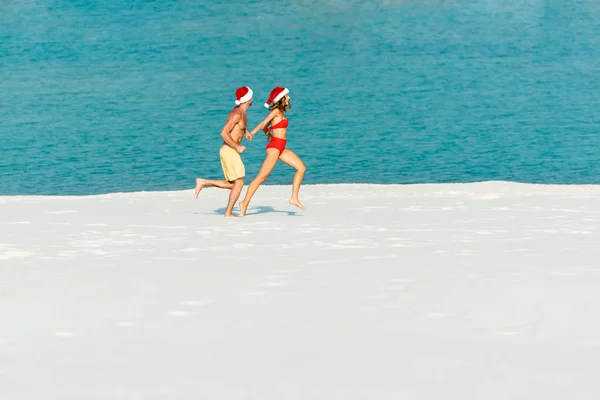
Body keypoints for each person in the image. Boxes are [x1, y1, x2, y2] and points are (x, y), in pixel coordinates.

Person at [239, 86, 306, 217]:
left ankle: (294, 198)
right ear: (281, 98)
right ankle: (244, 203)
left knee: (301, 168)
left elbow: (267, 127)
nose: (289, 98)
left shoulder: (281, 113)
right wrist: (251, 133)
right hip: (274, 147)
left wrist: (269, 133)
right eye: (287, 96)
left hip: (280, 147)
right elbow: (263, 123)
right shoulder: (275, 111)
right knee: (261, 177)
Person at [194, 86, 253, 217]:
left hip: (230, 151)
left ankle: (203, 182)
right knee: (239, 182)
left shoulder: (241, 112)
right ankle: (228, 212)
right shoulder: (237, 113)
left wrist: (245, 132)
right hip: (229, 150)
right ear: (249, 98)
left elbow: (238, 127)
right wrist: (237, 147)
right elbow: (224, 132)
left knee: (234, 184)